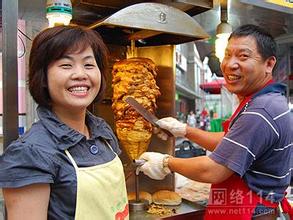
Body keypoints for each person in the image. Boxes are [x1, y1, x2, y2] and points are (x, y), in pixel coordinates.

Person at [138, 24, 293, 219]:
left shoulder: (261, 110)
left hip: (251, 211)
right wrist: (185, 131)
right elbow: (231, 143)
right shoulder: (266, 100)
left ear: (269, 64)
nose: (230, 64)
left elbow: (213, 170)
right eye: (227, 55)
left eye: (243, 56)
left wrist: (165, 162)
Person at [0, 26, 129, 220]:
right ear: (43, 77)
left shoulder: (103, 132)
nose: (80, 74)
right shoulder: (31, 153)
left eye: (88, 65)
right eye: (66, 65)